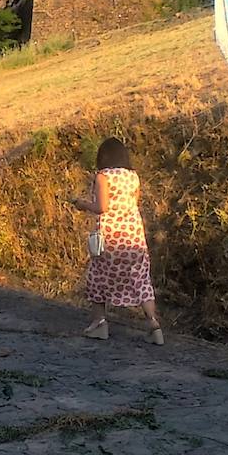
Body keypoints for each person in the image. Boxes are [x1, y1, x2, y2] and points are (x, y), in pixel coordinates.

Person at [70, 137, 163, 345]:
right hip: (134, 235)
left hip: (111, 237)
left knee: (98, 278)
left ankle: (99, 324)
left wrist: (82, 204)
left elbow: (102, 207)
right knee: (140, 279)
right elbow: (133, 203)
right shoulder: (133, 177)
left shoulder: (103, 176)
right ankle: (155, 326)